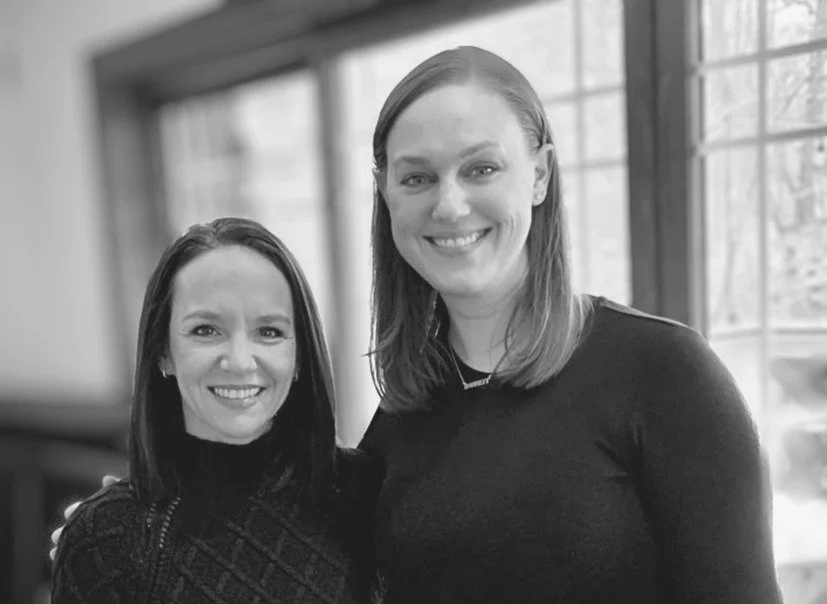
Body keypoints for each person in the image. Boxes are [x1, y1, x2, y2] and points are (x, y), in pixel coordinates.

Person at [358, 46, 783, 603]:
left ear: (539, 175)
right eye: (417, 178)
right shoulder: (400, 416)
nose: (450, 205)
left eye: (481, 168)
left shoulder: (665, 372)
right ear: (386, 193)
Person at [50, 217, 380, 603]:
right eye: (206, 330)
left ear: (300, 357)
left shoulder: (367, 497)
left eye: (269, 332)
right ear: (163, 353)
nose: (240, 361)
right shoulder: (108, 536)